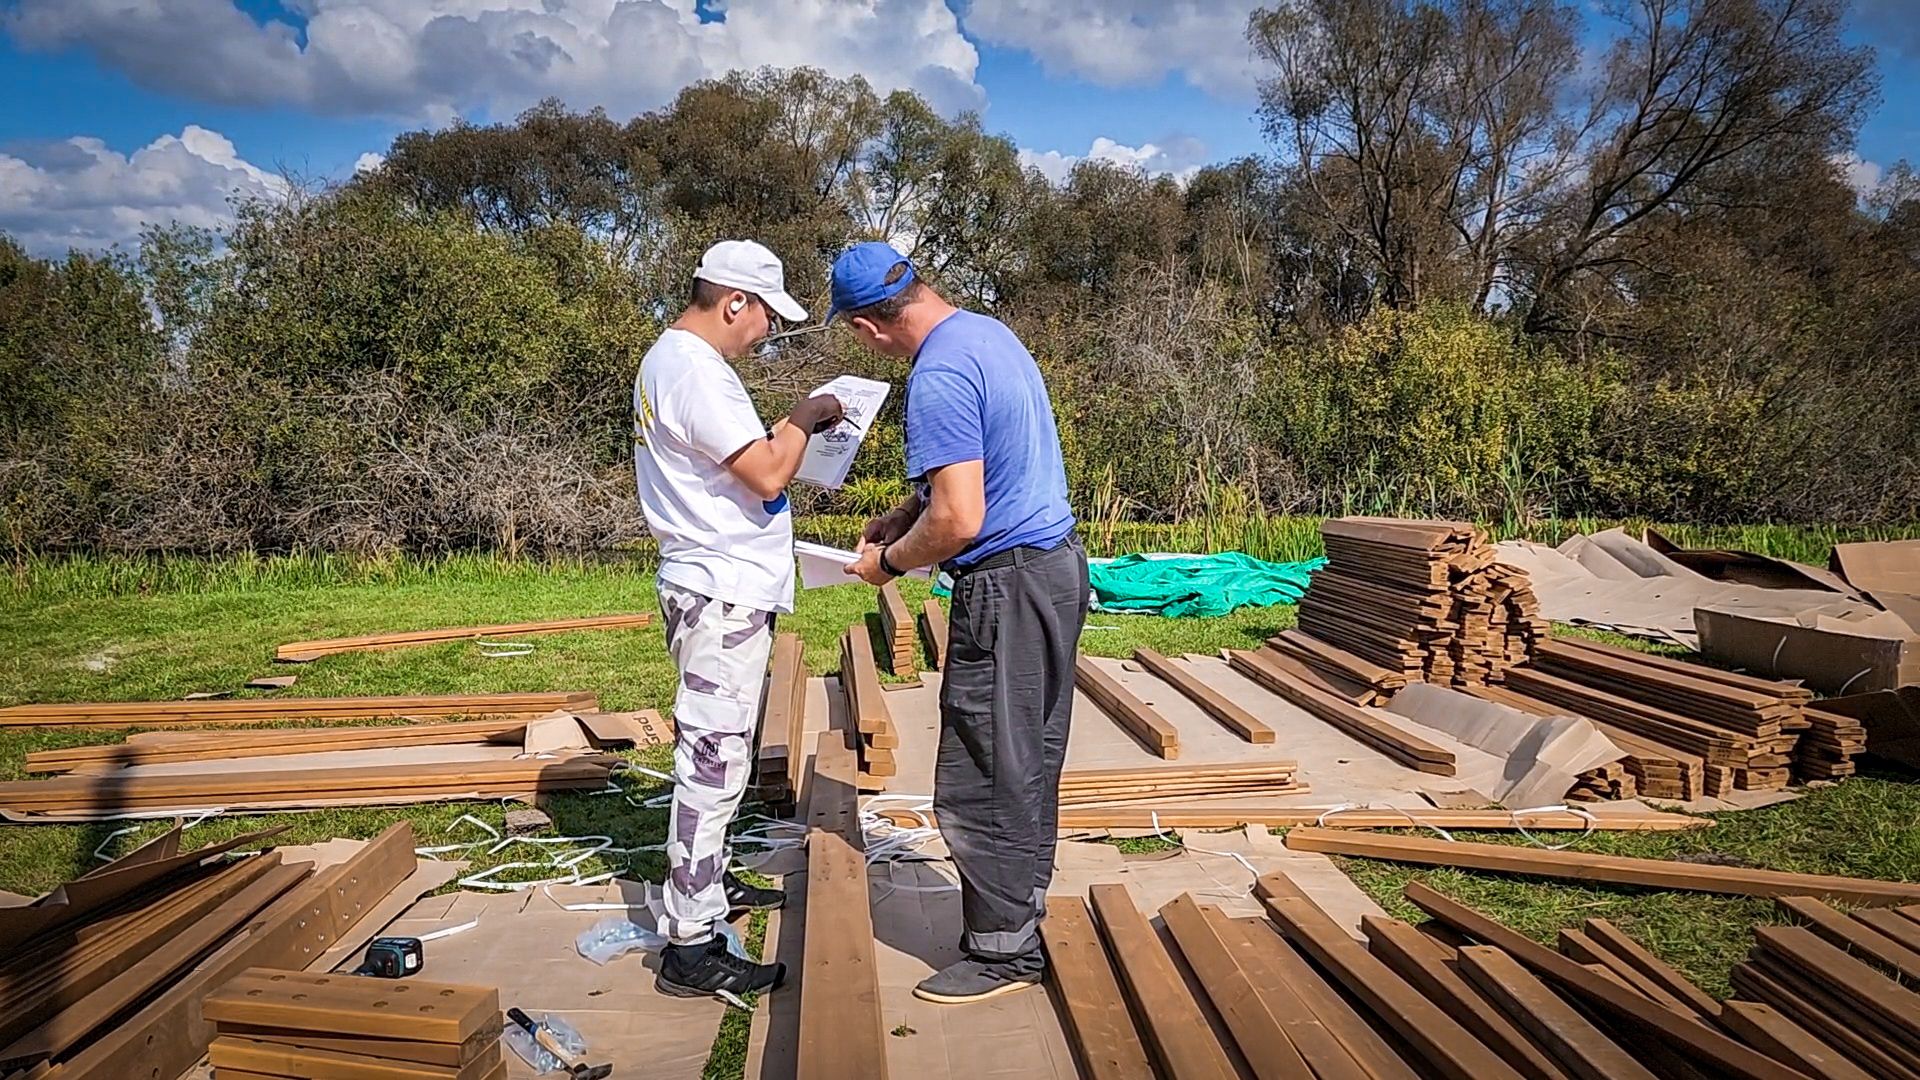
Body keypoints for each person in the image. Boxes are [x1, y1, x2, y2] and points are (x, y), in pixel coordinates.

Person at [834, 241, 1088, 1004]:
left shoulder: (937, 376)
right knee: (1027, 759)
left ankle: (1004, 952)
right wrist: (902, 514)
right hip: (1054, 568)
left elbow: (961, 517)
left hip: (1007, 586)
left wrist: (890, 563)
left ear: (867, 330)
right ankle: (1019, 914)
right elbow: (968, 478)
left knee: (985, 771)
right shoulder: (984, 334)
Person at [633, 239, 844, 1001]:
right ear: (733, 303)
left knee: (721, 750)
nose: (764, 335)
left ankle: (709, 889)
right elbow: (763, 469)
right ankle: (689, 944)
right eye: (764, 319)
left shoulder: (677, 363)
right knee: (713, 761)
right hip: (718, 592)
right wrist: (805, 416)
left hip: (721, 587)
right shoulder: (692, 368)